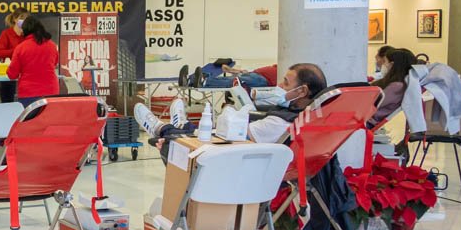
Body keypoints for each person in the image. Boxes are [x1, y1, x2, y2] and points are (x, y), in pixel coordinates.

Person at [136, 63, 328, 159]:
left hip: (233, 158)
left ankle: (163, 128)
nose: (279, 86)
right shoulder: (310, 117)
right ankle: (180, 125)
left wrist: (231, 111)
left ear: (302, 91)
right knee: (198, 131)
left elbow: (227, 134)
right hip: (242, 151)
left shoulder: (279, 123)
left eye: (285, 82)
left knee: (176, 141)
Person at [7, 15, 59, 108]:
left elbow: (12, 74)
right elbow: (55, 63)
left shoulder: (21, 48)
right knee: (49, 117)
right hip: (51, 92)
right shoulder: (52, 45)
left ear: (25, 30)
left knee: (31, 118)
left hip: (28, 93)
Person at [369, 47, 414, 128]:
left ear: (392, 64)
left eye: (385, 61)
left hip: (370, 121)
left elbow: (373, 104)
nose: (383, 65)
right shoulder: (400, 84)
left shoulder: (396, 86)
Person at [0, 7, 26, 103]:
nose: (24, 20)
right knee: (8, 100)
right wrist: (16, 51)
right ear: (15, 19)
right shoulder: (6, 34)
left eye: (26, 18)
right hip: (9, 74)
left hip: (24, 73)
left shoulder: (28, 34)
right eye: (22, 18)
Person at [194, 58, 271, 88]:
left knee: (234, 81)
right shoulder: (275, 67)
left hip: (262, 80)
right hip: (254, 74)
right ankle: (205, 79)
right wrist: (235, 70)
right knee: (229, 78)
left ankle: (205, 82)